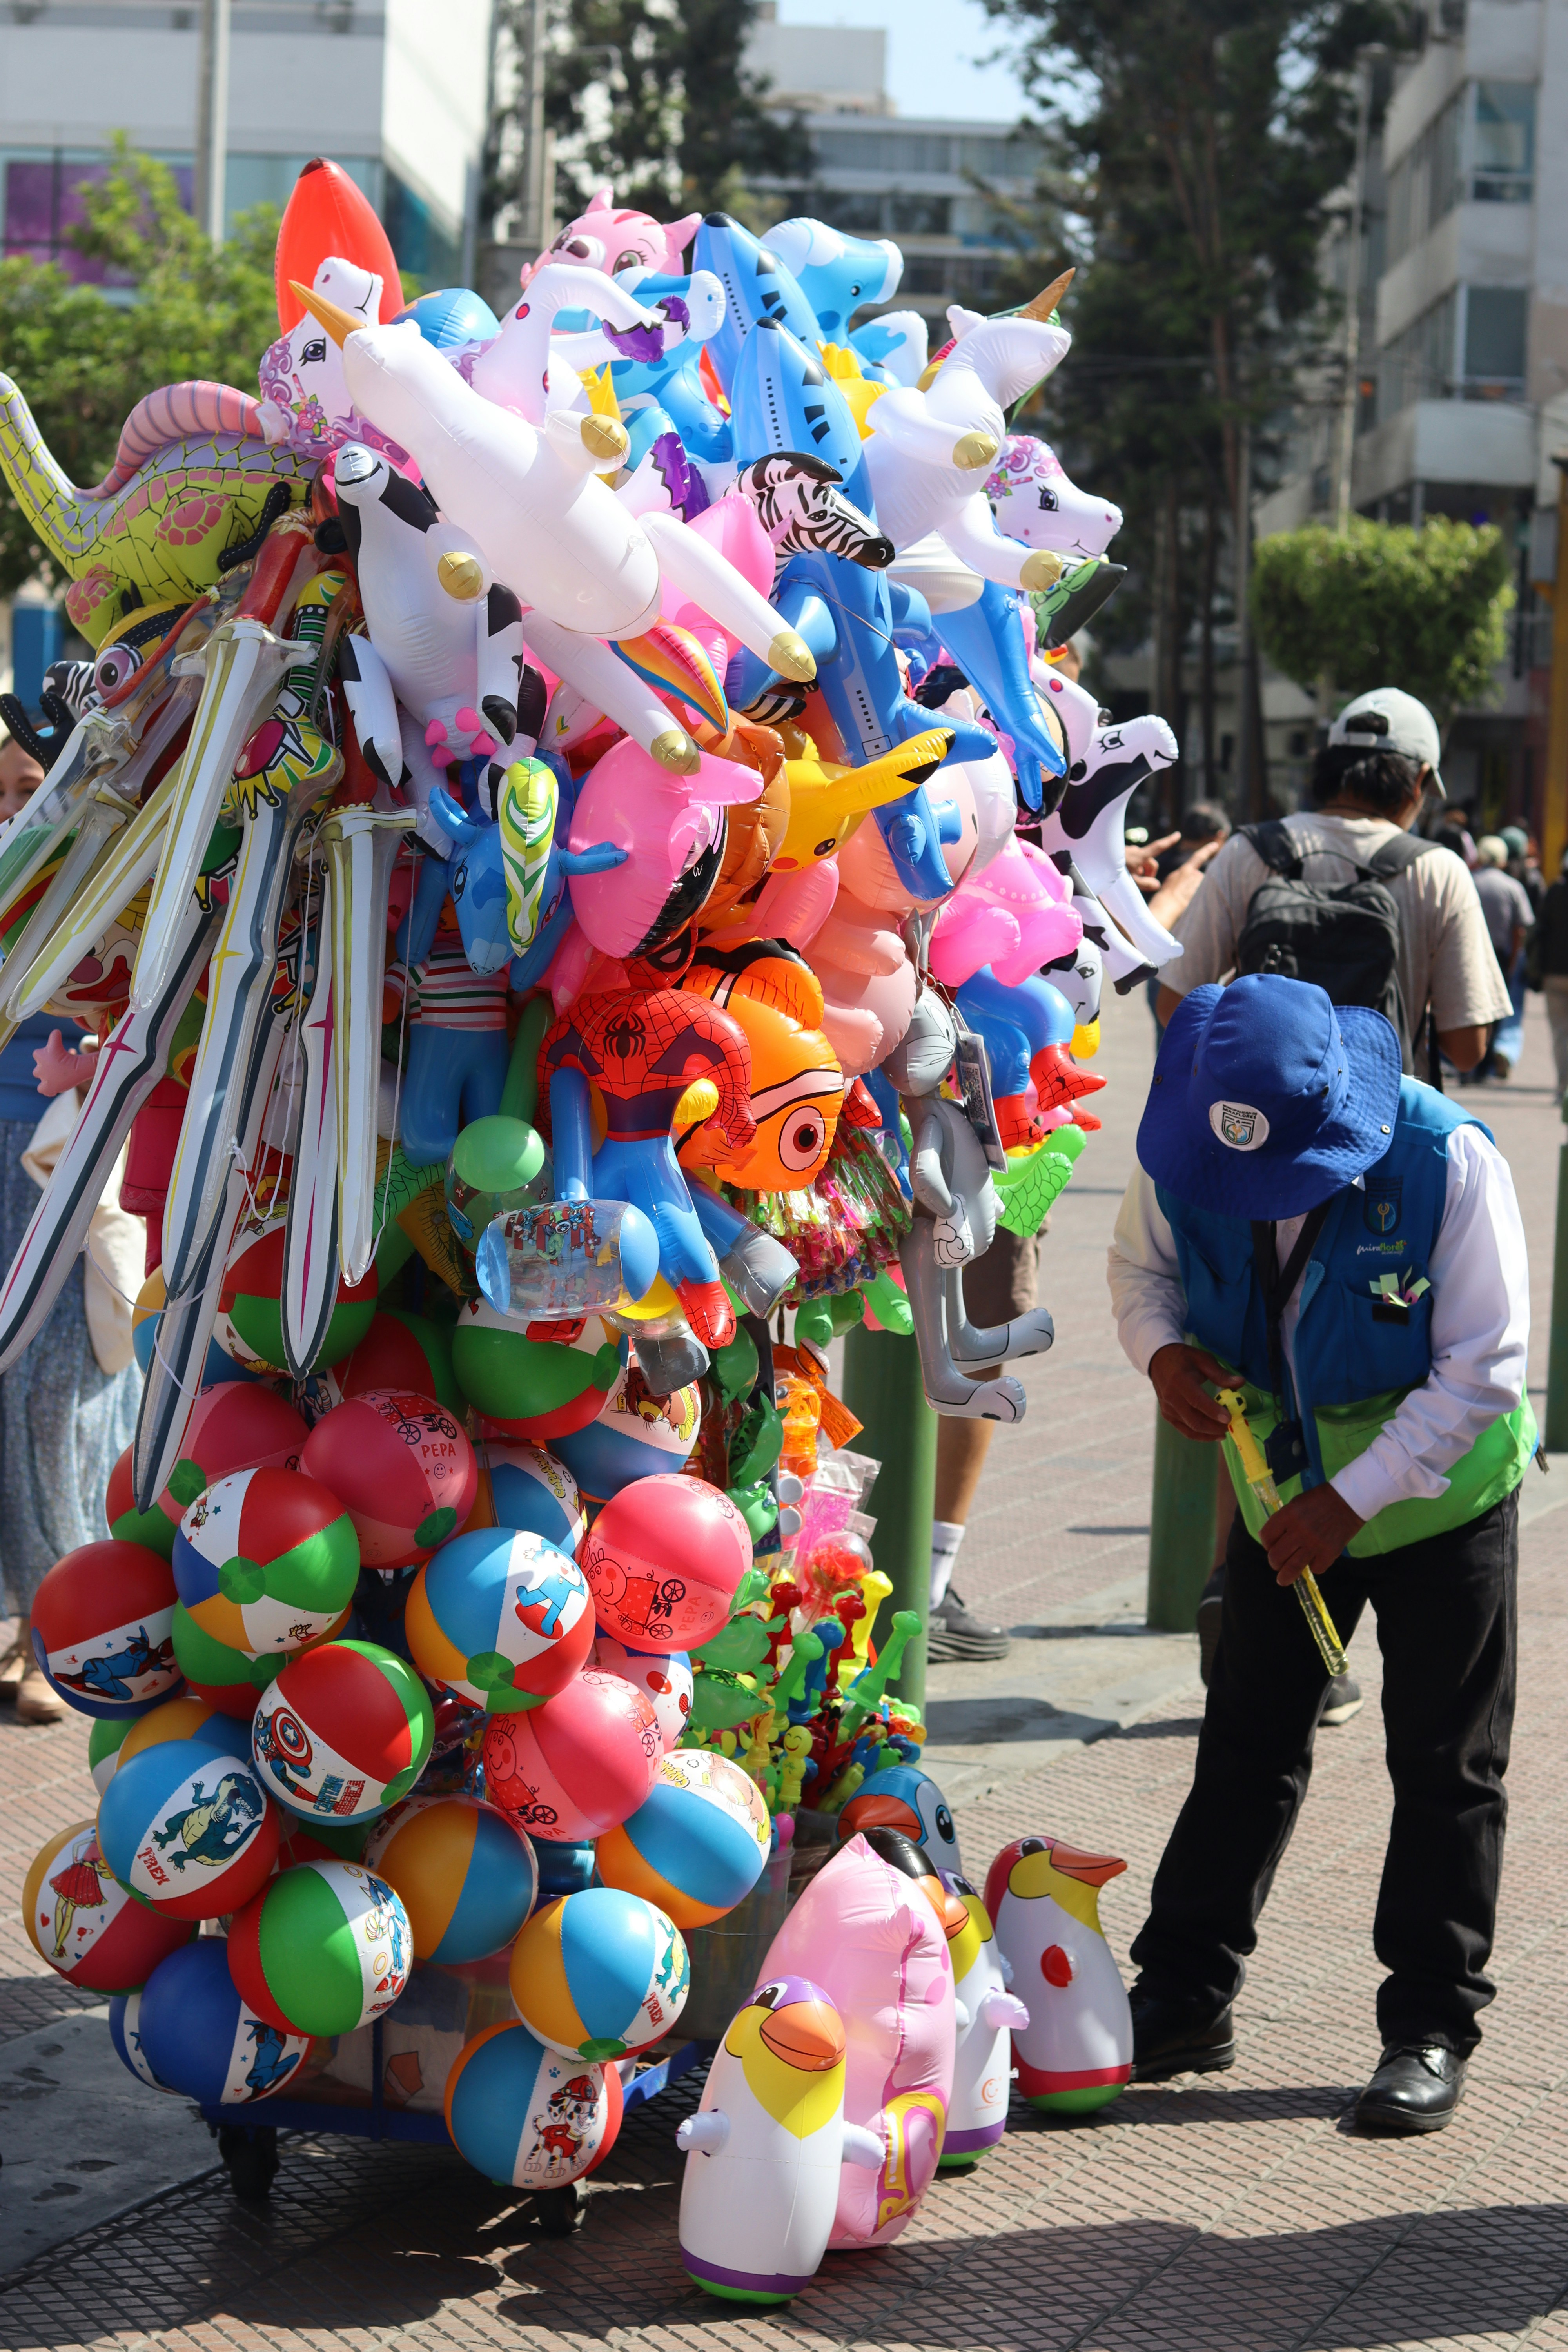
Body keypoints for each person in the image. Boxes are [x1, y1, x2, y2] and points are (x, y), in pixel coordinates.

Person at [1107, 973, 1531, 2132]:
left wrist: (1352, 1499)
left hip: (1436, 1496)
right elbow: (1138, 1271)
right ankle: (1186, 1995)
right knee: (1246, 1737)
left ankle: (1429, 2025)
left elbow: (1486, 1361)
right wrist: (1161, 1356)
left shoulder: (1446, 1158)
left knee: (1445, 1762)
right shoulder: (1181, 1142)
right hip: (1278, 1491)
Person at [0, 733, 142, 1724]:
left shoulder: (109, 863)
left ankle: (73, 1627)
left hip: (65, 1154)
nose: (18, 807)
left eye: (26, 785)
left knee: (68, 1392)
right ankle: (27, 1623)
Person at [1471, 836, 1533, 1080]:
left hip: (1472, 952)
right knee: (1495, 1011)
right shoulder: (1512, 887)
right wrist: (1514, 960)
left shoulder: (1469, 881)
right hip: (1500, 955)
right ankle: (1486, 1062)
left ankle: (1471, 1065)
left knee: (1474, 1007)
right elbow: (1521, 929)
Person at [1534, 849, 1568, 1101]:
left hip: (1554, 974)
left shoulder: (1554, 893)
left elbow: (1539, 932)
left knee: (1560, 1032)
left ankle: (1563, 1086)